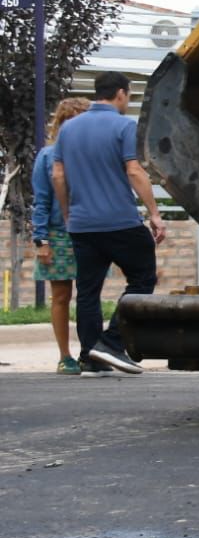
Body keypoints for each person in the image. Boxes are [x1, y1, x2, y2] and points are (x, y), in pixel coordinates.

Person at [51, 71, 167, 376]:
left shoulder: (69, 128)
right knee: (143, 279)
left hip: (82, 225)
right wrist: (154, 213)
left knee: (87, 291)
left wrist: (67, 213)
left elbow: (58, 175)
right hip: (120, 221)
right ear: (120, 93)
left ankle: (91, 357)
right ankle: (112, 343)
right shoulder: (124, 126)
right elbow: (134, 171)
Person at [31, 97, 92, 375]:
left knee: (90, 294)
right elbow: (41, 201)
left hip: (90, 230)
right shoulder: (48, 156)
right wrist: (41, 240)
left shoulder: (93, 155)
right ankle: (65, 356)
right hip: (58, 233)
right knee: (61, 295)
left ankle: (90, 352)